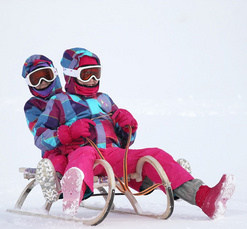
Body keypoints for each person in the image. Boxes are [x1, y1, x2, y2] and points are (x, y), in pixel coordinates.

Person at [34, 48, 235, 219]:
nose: (94, 79)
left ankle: (206, 198)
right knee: (83, 155)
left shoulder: (105, 100)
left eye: (96, 73)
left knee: (154, 155)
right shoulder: (59, 101)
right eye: (87, 74)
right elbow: (40, 137)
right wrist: (68, 132)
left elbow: (124, 142)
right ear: (71, 74)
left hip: (114, 156)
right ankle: (72, 196)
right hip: (84, 154)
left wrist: (128, 127)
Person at [21, 54, 68, 203]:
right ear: (30, 83)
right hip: (53, 149)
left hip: (76, 145)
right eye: (36, 79)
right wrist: (64, 132)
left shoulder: (68, 98)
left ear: (54, 74)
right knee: (58, 160)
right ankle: (53, 184)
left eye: (46, 76)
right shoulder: (33, 106)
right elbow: (38, 131)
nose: (42, 82)